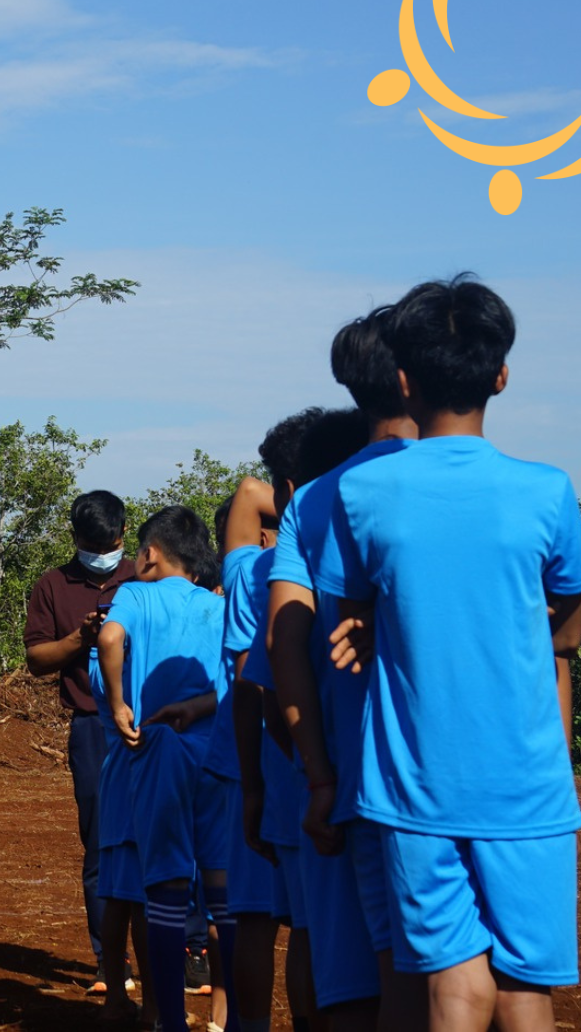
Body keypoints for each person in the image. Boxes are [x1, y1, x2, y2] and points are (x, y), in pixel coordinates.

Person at [325, 277, 581, 1032]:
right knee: (525, 990)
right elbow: (565, 628)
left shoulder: (366, 493)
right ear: (500, 375)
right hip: (528, 785)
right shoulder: (548, 491)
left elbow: (355, 612)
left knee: (453, 988)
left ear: (403, 381)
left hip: (414, 785)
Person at [270, 314, 423, 1032]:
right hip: (466, 776)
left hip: (356, 777)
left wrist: (320, 775)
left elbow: (285, 641)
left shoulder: (314, 502)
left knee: (368, 981)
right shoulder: (509, 484)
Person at [211, 408, 324, 1032]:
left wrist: (289, 496)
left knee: (252, 918)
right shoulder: (334, 565)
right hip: (313, 760)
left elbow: (251, 494)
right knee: (313, 925)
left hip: (248, 760)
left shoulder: (250, 569)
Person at [96, 506, 228, 1032]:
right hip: (215, 759)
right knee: (222, 894)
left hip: (150, 758)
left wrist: (119, 703)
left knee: (159, 891)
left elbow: (108, 641)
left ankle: (163, 1016)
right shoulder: (218, 607)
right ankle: (227, 1018)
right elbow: (236, 679)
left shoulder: (133, 594)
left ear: (148, 554)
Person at [23, 489, 133, 984]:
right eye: (91, 543)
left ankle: (189, 948)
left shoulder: (142, 577)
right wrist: (80, 640)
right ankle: (110, 961)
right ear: (75, 539)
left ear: (123, 535)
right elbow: (36, 660)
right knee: (100, 844)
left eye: (107, 542)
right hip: (91, 726)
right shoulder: (52, 585)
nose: (101, 551)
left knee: (167, 834)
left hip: (148, 721)